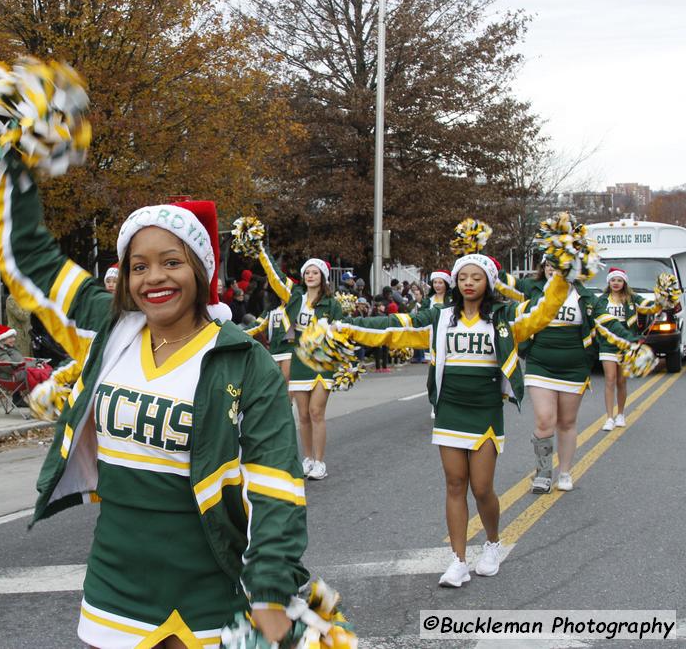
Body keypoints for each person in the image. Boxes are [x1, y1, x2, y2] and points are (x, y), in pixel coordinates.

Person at [0, 163, 307, 645]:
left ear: (200, 270)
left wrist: (270, 588)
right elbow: (34, 257)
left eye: (171, 263)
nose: (154, 278)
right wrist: (11, 165)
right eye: (139, 266)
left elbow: (276, 486)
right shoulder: (111, 329)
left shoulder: (245, 361)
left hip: (206, 586)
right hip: (114, 581)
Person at [312, 252, 571, 586]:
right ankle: (458, 561)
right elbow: (393, 330)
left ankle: (492, 542)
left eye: (476, 277)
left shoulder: (504, 318)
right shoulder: (440, 317)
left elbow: (544, 311)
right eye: (463, 277)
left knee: (481, 489)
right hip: (450, 409)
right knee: (454, 484)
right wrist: (344, 327)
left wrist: (563, 273)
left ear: (488, 282)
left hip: (485, 410)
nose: (468, 283)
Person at [498, 259, 639, 494]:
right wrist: (474, 250)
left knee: (566, 421)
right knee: (544, 419)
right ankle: (543, 472)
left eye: (560, 264)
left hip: (573, 368)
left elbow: (607, 322)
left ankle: (564, 471)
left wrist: (632, 341)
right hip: (540, 364)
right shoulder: (532, 288)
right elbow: (500, 280)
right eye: (549, 264)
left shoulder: (585, 296)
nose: (553, 269)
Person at [256, 240, 343, 481]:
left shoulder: (332, 304)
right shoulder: (295, 298)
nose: (310, 276)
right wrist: (261, 248)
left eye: (315, 272)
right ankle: (307, 459)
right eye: (307, 273)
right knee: (302, 415)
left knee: (316, 412)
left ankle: (320, 461)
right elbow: (275, 275)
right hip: (298, 361)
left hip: (322, 362)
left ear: (323, 277)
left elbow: (341, 334)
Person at [594, 268, 660, 431]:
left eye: (619, 280)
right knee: (609, 379)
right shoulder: (602, 300)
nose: (616, 283)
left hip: (626, 343)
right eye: (613, 280)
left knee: (621, 381)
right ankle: (609, 417)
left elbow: (650, 307)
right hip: (608, 343)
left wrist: (662, 301)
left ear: (624, 283)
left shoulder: (632, 298)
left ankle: (621, 414)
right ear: (608, 282)